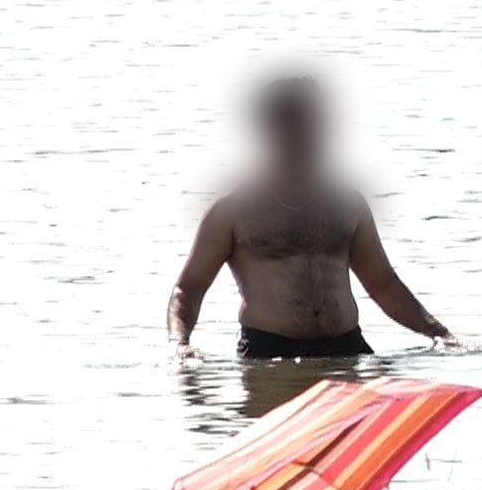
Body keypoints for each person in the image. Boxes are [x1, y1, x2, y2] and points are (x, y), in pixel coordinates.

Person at [167, 76, 456, 359]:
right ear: (276, 128)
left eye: (318, 123)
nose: (315, 133)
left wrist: (440, 334)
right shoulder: (233, 211)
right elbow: (188, 289)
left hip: (347, 349)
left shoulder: (347, 204)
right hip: (269, 354)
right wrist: (180, 344)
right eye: (304, 123)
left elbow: (384, 285)